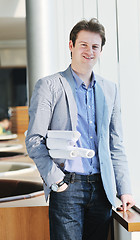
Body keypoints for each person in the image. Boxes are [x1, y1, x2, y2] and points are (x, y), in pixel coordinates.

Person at [25, 18, 135, 240]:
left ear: (101, 51)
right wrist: (57, 180)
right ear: (71, 46)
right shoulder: (49, 86)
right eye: (83, 44)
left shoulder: (110, 89)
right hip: (67, 187)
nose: (89, 51)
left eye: (95, 46)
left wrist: (125, 189)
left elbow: (116, 143)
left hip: (102, 190)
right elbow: (34, 139)